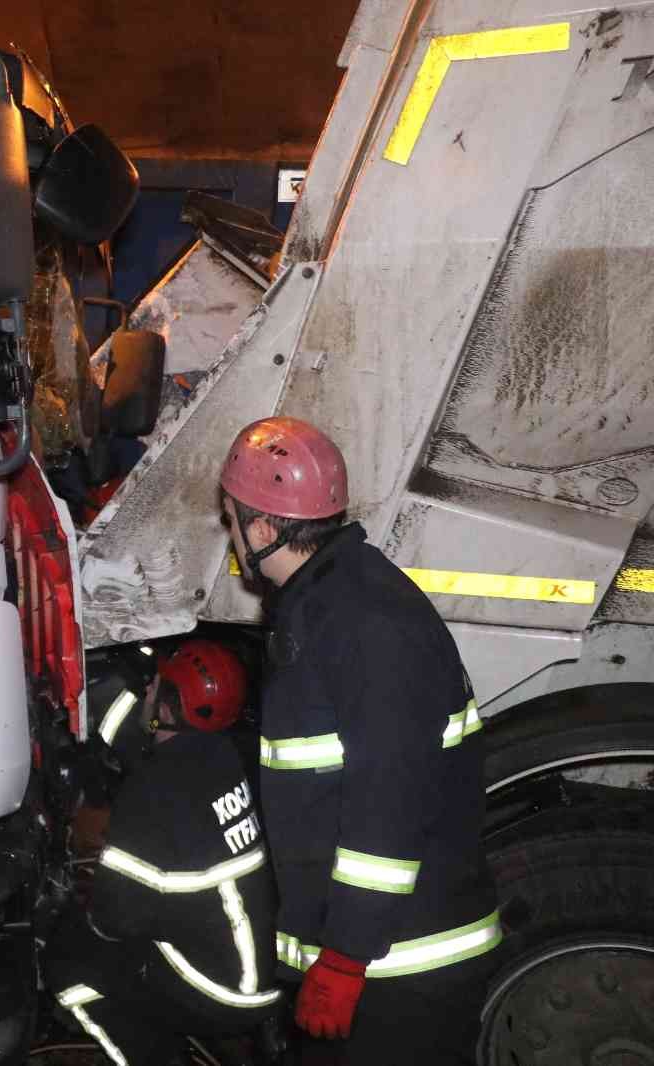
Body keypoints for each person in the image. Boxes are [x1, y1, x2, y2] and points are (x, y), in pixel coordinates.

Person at [218, 416, 500, 1064]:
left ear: (264, 529)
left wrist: (345, 957)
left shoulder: (364, 623)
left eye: (232, 520)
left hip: (401, 972)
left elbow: (389, 806)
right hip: (377, 962)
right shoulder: (326, 605)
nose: (228, 534)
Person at [44, 642, 281, 1066]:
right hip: (261, 967)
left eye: (157, 684)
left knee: (71, 965)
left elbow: (114, 919)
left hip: (221, 991)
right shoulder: (227, 754)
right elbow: (153, 757)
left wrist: (72, 908)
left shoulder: (149, 793)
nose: (148, 687)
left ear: (169, 708)